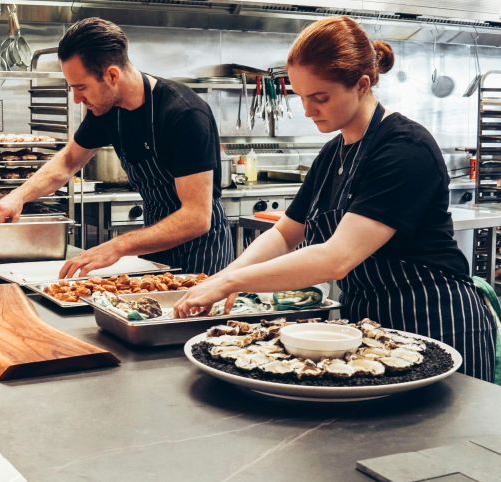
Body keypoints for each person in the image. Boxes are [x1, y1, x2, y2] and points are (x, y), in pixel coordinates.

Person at [173, 16, 496, 382]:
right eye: (301, 97)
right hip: (368, 329)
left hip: (435, 319)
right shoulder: (332, 154)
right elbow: (284, 235)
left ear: (361, 85)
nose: (308, 110)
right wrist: (224, 276)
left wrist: (233, 283)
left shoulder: (405, 148)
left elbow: (336, 259)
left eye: (320, 98)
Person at [0, 18, 234, 277]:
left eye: (82, 87)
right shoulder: (107, 111)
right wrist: (18, 196)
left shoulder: (184, 113)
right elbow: (69, 161)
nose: (77, 98)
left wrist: (118, 246)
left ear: (112, 75)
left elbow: (196, 217)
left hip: (203, 254)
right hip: (154, 245)